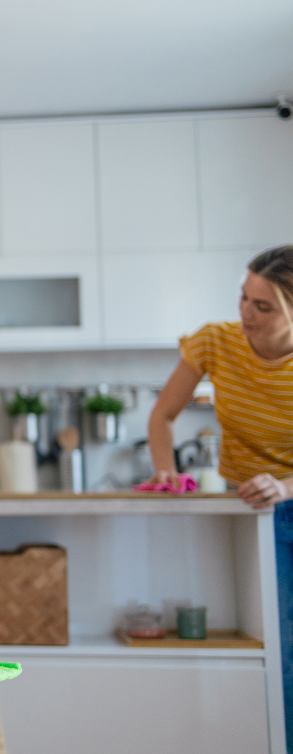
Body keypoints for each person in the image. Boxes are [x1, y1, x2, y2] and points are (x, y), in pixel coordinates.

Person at [146, 244, 293, 742]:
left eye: (263, 307)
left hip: (286, 501)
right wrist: (165, 469)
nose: (245, 314)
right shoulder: (216, 342)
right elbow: (163, 415)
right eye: (244, 298)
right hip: (246, 509)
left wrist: (286, 486)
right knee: (276, 649)